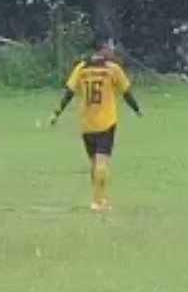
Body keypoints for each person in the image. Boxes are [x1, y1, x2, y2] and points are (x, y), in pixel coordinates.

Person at [51, 39, 142, 212]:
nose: (112, 51)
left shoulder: (81, 68)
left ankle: (99, 198)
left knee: (94, 163)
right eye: (109, 47)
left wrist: (57, 112)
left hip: (86, 123)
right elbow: (126, 92)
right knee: (102, 162)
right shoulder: (112, 69)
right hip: (106, 122)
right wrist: (136, 109)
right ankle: (99, 201)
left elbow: (68, 93)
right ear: (103, 49)